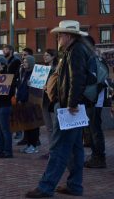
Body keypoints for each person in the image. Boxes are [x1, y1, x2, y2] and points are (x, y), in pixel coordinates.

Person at [26, 20, 91, 198]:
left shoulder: (75, 51)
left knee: (59, 147)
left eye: (60, 35)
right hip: (73, 105)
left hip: (69, 107)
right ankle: (75, 185)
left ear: (68, 36)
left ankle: (46, 187)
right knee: (75, 148)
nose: (58, 38)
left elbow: (77, 79)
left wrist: (71, 104)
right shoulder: (76, 49)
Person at [83, 35, 108, 169]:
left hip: (93, 99)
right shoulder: (96, 58)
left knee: (94, 129)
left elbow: (97, 80)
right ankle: (96, 156)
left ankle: (99, 158)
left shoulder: (93, 59)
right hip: (93, 99)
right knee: (92, 129)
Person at [16, 55, 40, 154]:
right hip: (24, 101)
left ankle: (34, 145)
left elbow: (39, 88)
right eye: (23, 61)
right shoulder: (24, 72)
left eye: (26, 62)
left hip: (32, 102)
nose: (23, 63)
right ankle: (29, 144)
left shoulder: (36, 73)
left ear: (30, 63)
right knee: (27, 125)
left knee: (33, 125)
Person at [40, 49, 59, 159]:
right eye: (44, 55)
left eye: (47, 55)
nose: (45, 57)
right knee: (49, 127)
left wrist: (48, 87)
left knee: (55, 127)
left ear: (53, 56)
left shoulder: (57, 69)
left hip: (53, 101)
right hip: (44, 101)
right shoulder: (43, 69)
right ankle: (52, 149)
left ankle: (55, 150)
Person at [2, 45, 22, 140]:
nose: (4, 51)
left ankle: (19, 131)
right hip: (7, 88)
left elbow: (15, 75)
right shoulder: (5, 61)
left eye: (5, 49)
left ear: (11, 50)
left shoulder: (16, 61)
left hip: (13, 89)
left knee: (14, 110)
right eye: (3, 49)